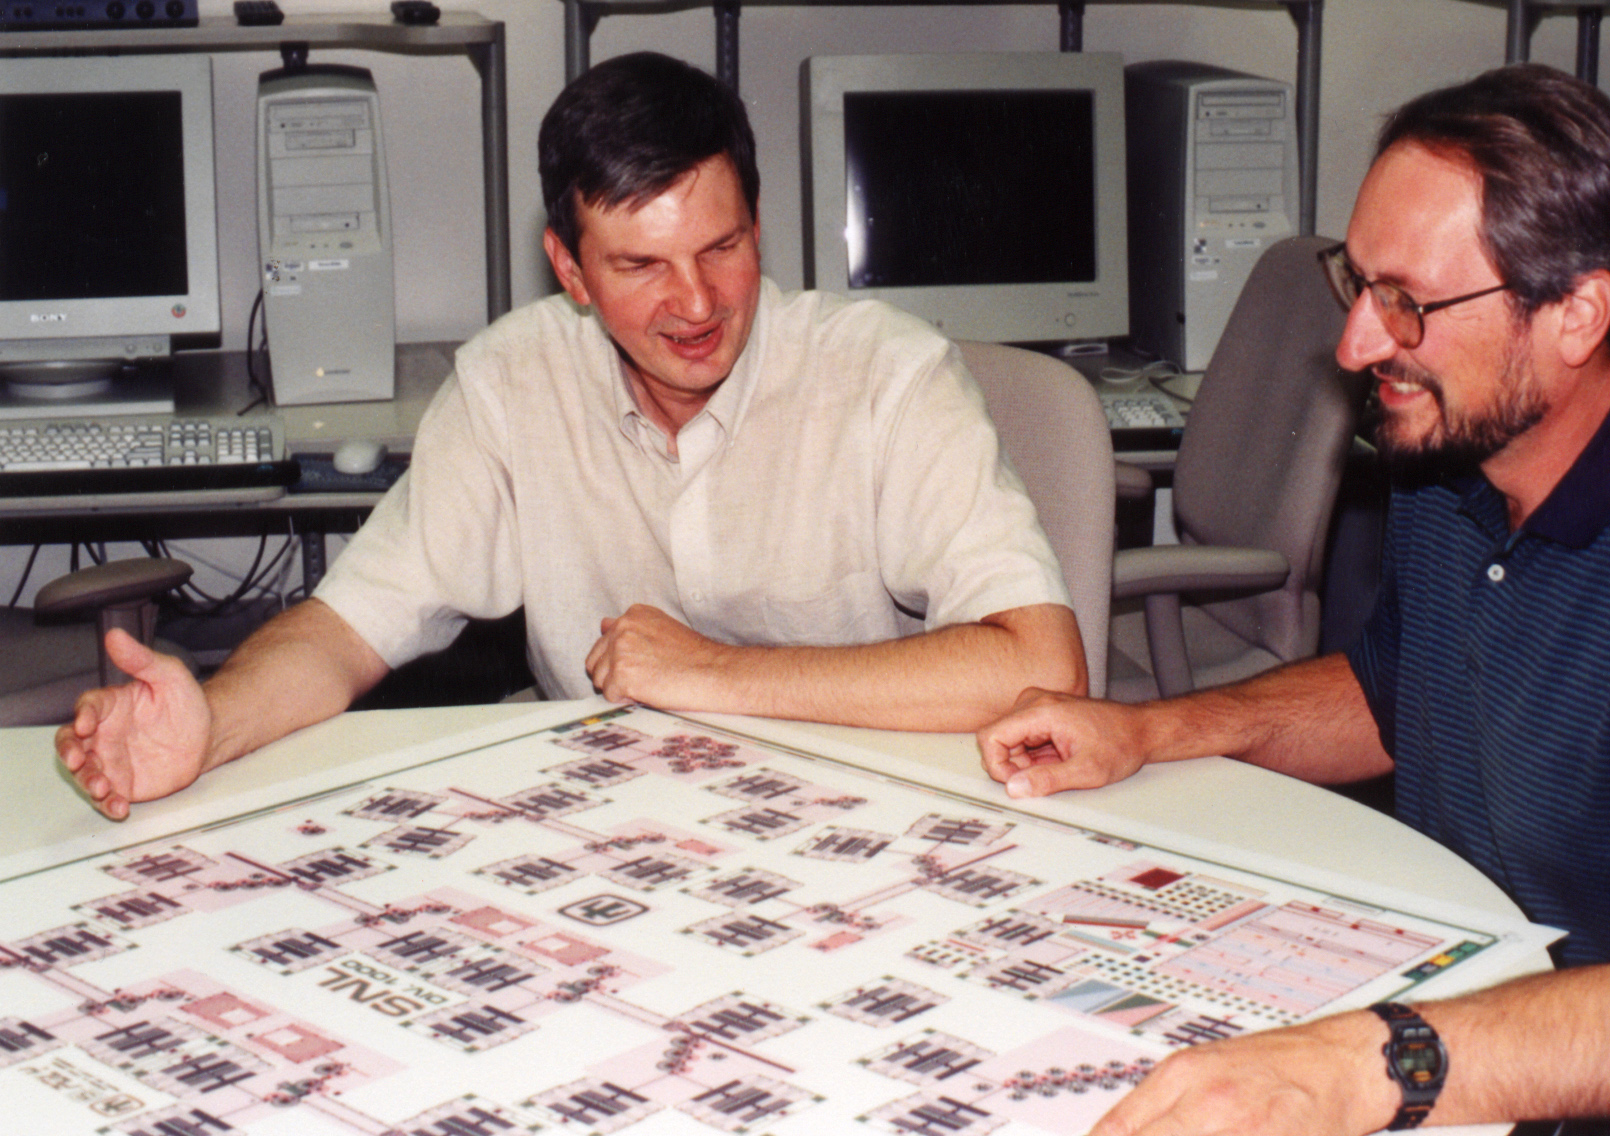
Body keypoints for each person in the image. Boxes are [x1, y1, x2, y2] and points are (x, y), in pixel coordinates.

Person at [977, 64, 1610, 1136]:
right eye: (1355, 285)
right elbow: (1390, 693)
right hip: (1467, 1032)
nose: (1357, 345)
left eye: (1407, 300)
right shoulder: (1454, 448)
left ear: (1575, 314)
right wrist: (1149, 729)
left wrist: (1366, 1067)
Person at [58, 51, 1085, 821]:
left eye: (720, 246)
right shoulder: (510, 381)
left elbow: (1037, 664)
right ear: (569, 266)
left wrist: (711, 674)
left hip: (866, 808)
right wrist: (215, 721)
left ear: (758, 222)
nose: (696, 303)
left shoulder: (888, 374)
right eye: (640, 266)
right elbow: (347, 631)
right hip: (609, 826)